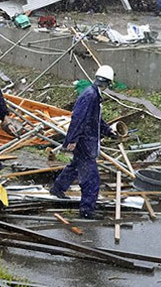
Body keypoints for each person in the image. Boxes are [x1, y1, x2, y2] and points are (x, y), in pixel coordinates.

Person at [49, 65, 120, 219]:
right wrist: (72, 139)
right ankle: (87, 210)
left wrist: (108, 130)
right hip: (85, 142)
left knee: (74, 166)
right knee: (91, 178)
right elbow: (78, 118)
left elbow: (95, 119)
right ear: (107, 83)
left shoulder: (93, 94)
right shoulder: (91, 96)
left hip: (86, 140)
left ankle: (57, 188)